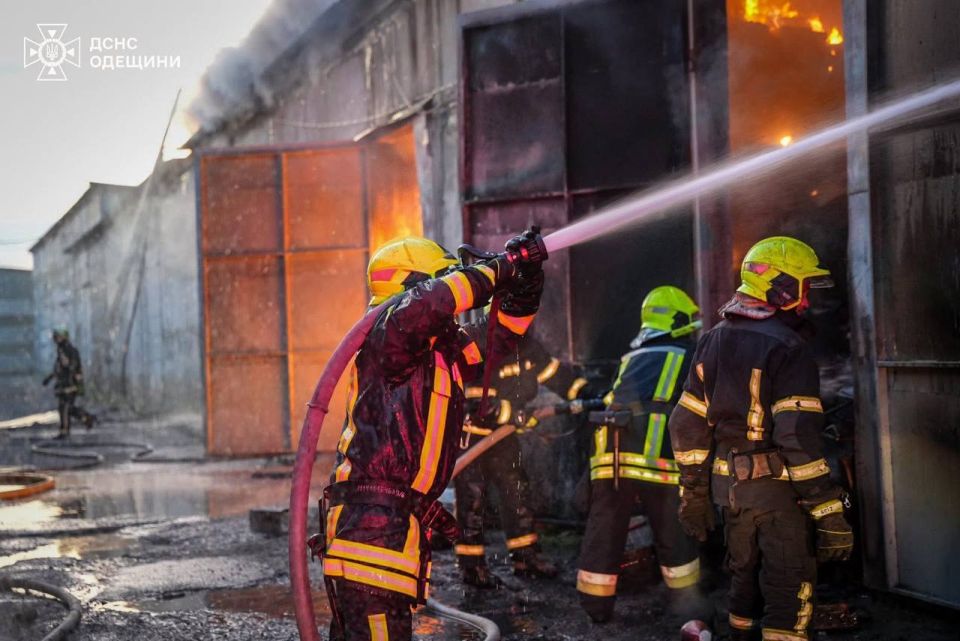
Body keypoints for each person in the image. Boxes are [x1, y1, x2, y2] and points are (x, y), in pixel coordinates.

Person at [318, 232, 546, 641]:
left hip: (391, 531)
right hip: (371, 534)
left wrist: (526, 279)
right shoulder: (389, 337)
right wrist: (499, 268)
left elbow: (503, 334)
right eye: (445, 277)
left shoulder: (440, 352)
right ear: (413, 286)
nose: (454, 292)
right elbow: (430, 303)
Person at [668, 237, 854, 641]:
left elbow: (685, 423)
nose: (806, 302)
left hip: (731, 495)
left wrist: (694, 493)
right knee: (788, 592)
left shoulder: (712, 339)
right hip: (778, 497)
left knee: (744, 583)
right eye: (803, 289)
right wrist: (828, 510)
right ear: (781, 287)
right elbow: (796, 437)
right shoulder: (788, 346)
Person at [575, 286, 711, 624]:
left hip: (610, 457)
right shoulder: (690, 355)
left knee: (603, 533)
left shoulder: (630, 358)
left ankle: (596, 608)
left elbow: (614, 400)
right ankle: (687, 604)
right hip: (658, 460)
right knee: (673, 532)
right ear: (679, 321)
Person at [454, 329, 589, 587]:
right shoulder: (479, 344)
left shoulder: (527, 346)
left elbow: (554, 374)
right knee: (472, 499)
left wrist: (585, 392)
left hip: (505, 435)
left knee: (517, 492)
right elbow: (478, 402)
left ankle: (525, 558)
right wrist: (515, 414)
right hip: (472, 436)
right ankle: (471, 567)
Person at [42, 328, 95, 438]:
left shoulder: (70, 350)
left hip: (71, 384)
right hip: (63, 383)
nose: (56, 340)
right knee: (65, 407)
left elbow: (72, 367)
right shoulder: (61, 351)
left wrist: (71, 376)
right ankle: (84, 418)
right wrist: (49, 378)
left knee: (66, 407)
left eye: (58, 337)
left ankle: (67, 429)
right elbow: (58, 369)